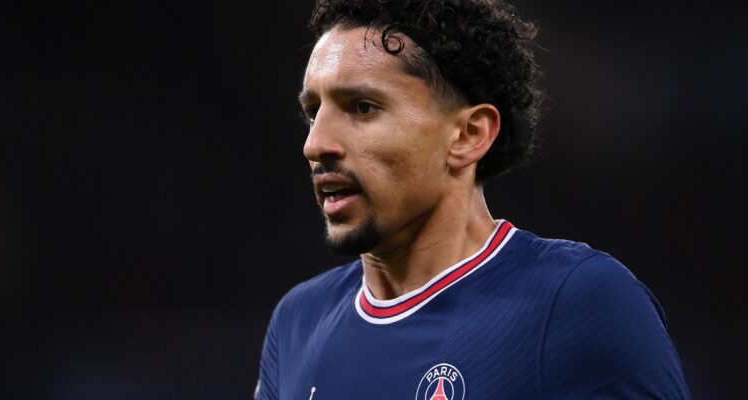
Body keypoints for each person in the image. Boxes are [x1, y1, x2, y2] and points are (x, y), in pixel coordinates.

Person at [256, 0, 690, 398]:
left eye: (362, 107)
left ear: (467, 135)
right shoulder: (297, 323)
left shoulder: (576, 303)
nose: (316, 144)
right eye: (313, 112)